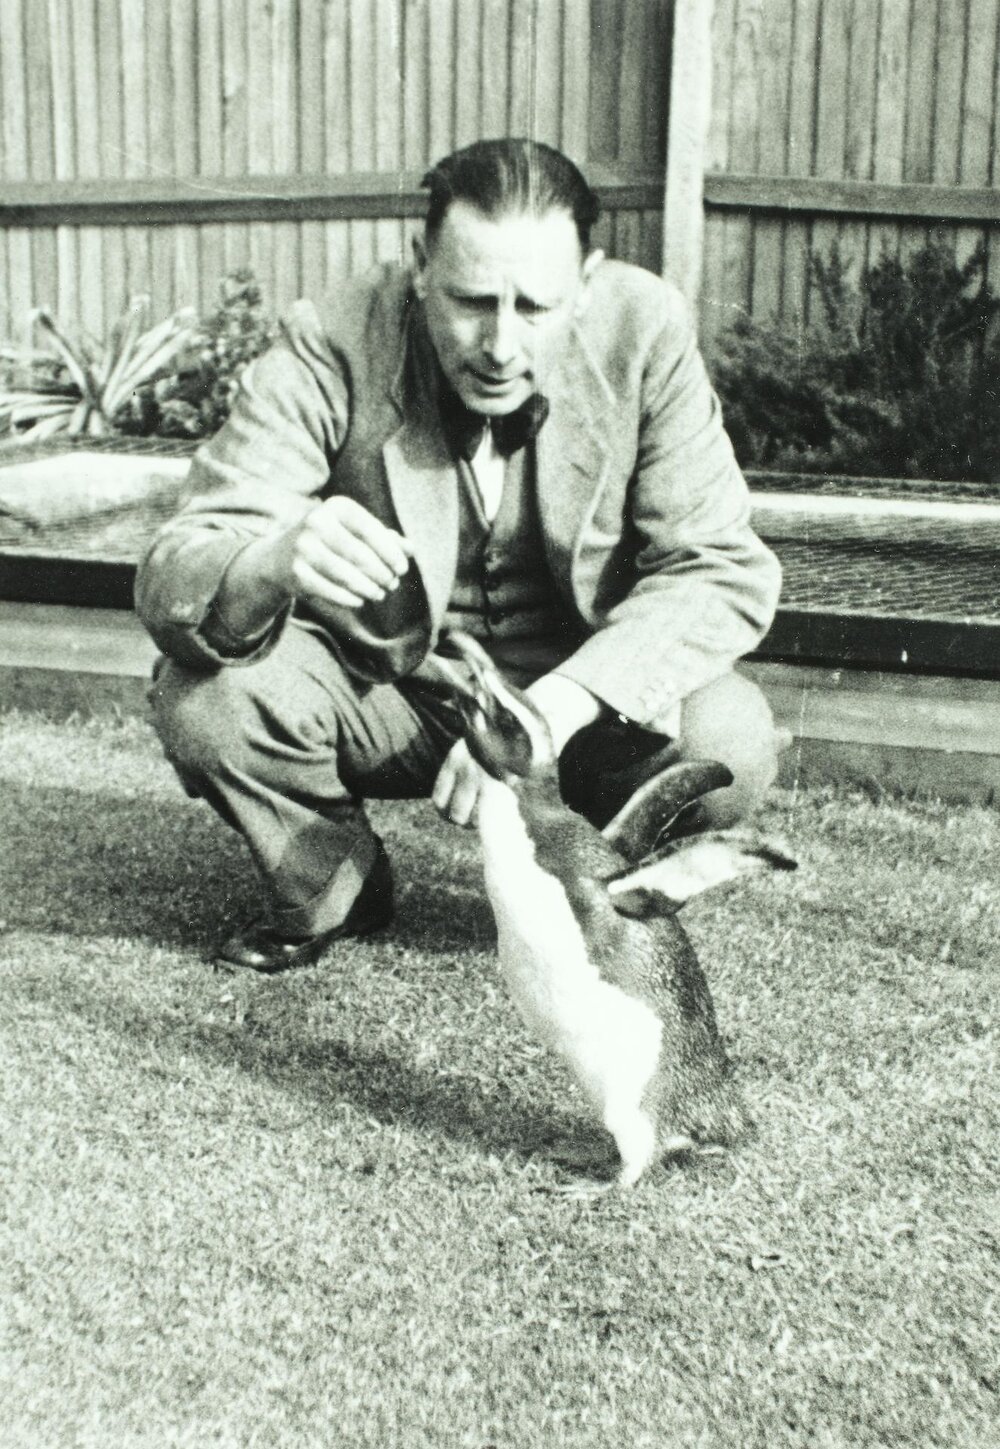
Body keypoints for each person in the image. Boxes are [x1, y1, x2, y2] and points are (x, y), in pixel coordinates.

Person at [136, 138, 783, 974]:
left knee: (728, 734)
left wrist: (555, 707)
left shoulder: (645, 331)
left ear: (586, 283)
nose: (501, 345)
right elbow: (180, 560)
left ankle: (602, 884)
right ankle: (336, 882)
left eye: (535, 309)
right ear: (418, 269)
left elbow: (720, 568)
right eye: (471, 301)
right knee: (205, 701)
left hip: (581, 705)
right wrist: (270, 556)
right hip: (397, 694)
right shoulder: (334, 337)